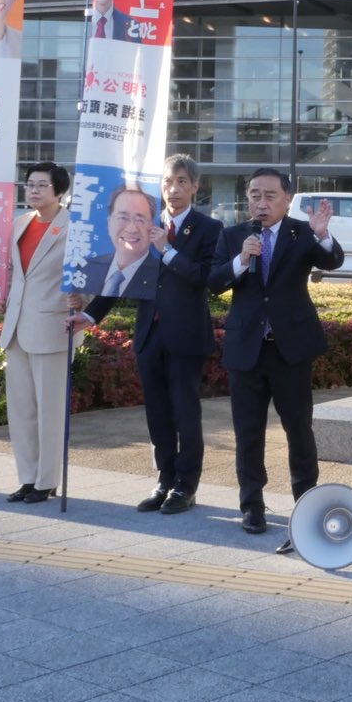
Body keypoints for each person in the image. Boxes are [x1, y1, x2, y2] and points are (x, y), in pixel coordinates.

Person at [78, 160, 221, 513]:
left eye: (182, 182)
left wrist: (168, 251)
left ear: (195, 187)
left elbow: (205, 278)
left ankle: (186, 486)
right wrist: (91, 313)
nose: (173, 188)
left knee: (185, 414)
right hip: (148, 334)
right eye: (168, 181)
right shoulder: (145, 224)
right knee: (157, 413)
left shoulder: (209, 228)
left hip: (186, 336)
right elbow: (121, 271)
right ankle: (164, 480)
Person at [208, 168, 343, 540]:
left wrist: (323, 235)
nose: (260, 202)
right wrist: (240, 261)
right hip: (246, 350)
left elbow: (332, 261)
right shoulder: (234, 234)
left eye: (269, 195)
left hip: (291, 350)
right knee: (248, 433)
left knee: (299, 430)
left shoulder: (302, 232)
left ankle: (307, 503)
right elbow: (214, 282)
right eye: (254, 195)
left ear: (287, 198)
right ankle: (252, 505)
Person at [0, 163, 71, 504]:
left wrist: (83, 302)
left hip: (53, 326)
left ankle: (47, 480)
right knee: (21, 409)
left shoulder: (73, 226)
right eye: (30, 185)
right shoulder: (19, 224)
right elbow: (12, 272)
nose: (34, 191)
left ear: (59, 191)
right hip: (17, 325)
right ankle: (27, 477)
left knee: (49, 409)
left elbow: (89, 274)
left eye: (41, 185)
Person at [79, 185, 158, 302]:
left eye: (140, 220)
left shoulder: (159, 273)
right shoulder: (86, 267)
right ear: (109, 223)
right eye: (123, 218)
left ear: (152, 225)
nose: (131, 229)